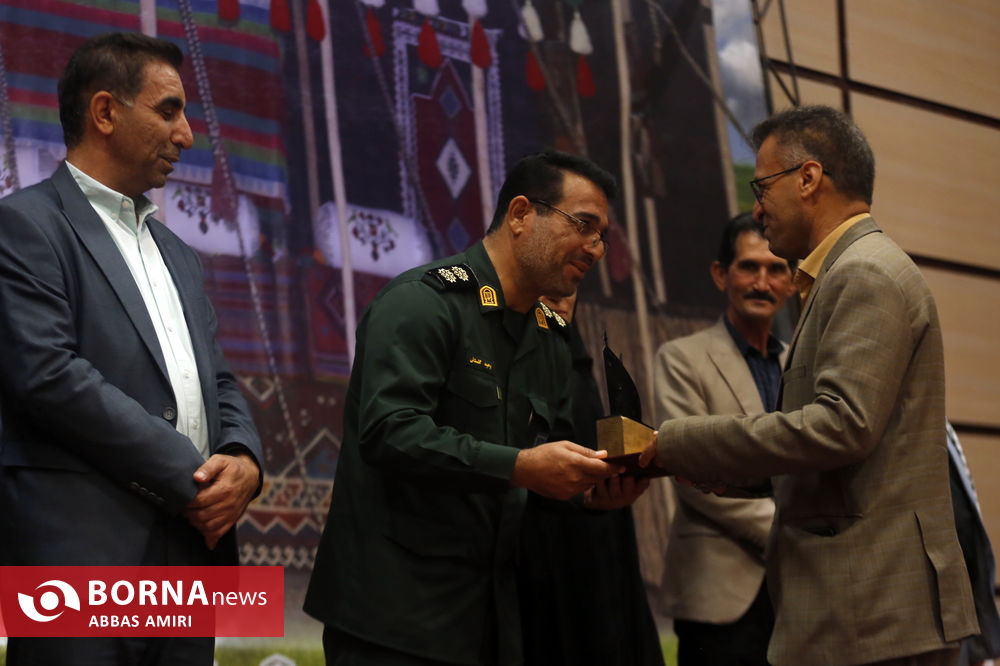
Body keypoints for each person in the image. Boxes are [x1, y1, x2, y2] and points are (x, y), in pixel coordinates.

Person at [640, 105, 978, 665]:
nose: (756, 208)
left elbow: (843, 427)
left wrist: (675, 443)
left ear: (808, 178)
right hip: (863, 611)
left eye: (761, 187)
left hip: (874, 614)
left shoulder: (863, 271)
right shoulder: (847, 271)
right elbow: (860, 461)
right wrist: (739, 476)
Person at [304, 150, 645, 666]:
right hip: (395, 620)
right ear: (521, 215)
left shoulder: (548, 337)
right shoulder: (423, 303)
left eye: (602, 236)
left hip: (492, 620)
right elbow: (389, 432)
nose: (595, 249)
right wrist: (521, 467)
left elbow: (534, 471)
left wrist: (589, 495)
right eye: (583, 226)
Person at [0, 33, 263, 665]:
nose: (187, 135)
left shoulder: (180, 255)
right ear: (105, 112)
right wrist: (193, 478)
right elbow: (48, 376)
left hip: (188, 556)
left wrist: (243, 461)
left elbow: (218, 381)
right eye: (168, 111)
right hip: (79, 555)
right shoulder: (25, 224)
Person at [653, 213, 795, 665]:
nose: (762, 282)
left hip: (800, 596)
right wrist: (796, 533)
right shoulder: (681, 359)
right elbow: (690, 470)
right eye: (749, 267)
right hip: (718, 596)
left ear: (792, 282)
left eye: (776, 269)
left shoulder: (802, 366)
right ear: (721, 275)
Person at [517, 289, 663, 666]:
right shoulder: (507, 359)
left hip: (600, 542)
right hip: (537, 553)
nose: (560, 296)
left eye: (571, 284)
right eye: (548, 282)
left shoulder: (574, 356)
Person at [947, 422, 1000, 666]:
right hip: (929, 629)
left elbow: (968, 529)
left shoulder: (941, 429)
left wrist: (981, 646)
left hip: (961, 626)